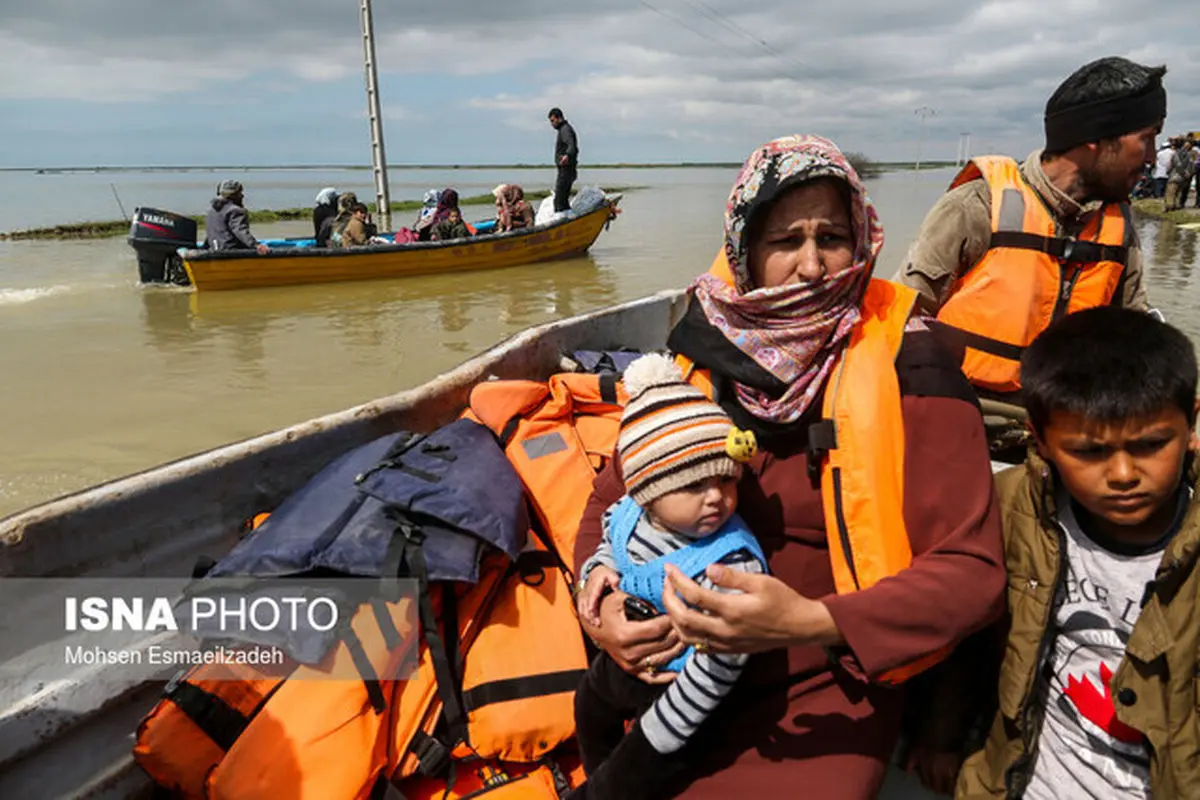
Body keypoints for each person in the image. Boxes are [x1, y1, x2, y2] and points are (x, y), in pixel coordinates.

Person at [573, 134, 1005, 798]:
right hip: (672, 662)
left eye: (831, 237)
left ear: (861, 239)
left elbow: (972, 572)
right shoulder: (700, 344)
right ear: (745, 253)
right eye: (786, 242)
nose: (811, 266)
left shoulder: (910, 359)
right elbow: (614, 494)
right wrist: (598, 606)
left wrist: (811, 621)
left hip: (825, 681)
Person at [908, 306, 1200, 799]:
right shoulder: (1009, 510)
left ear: (1192, 423)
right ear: (1040, 442)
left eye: (1151, 445)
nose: (1124, 474)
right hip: (1024, 781)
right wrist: (941, 739)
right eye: (1089, 452)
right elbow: (970, 641)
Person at [895, 56, 1164, 403]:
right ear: (1096, 136)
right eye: (1146, 139)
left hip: (1065, 422)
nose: (1154, 158)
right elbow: (900, 319)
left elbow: (1137, 336)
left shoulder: (1118, 225)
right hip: (969, 413)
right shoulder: (975, 206)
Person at [571, 353, 767, 800]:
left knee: (634, 774)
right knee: (588, 704)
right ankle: (597, 773)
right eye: (694, 486)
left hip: (690, 692)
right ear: (647, 493)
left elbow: (722, 665)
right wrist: (599, 569)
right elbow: (611, 540)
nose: (716, 498)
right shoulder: (629, 513)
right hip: (634, 658)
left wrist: (662, 729)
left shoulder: (731, 563)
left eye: (726, 479)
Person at [204, 180, 269, 254]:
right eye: (240, 193)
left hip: (215, 249)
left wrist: (204, 249)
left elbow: (211, 233)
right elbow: (240, 230)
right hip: (231, 251)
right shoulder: (236, 211)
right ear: (232, 195)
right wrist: (256, 245)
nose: (242, 196)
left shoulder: (210, 211)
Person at [548, 107, 579, 213]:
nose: (552, 124)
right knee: (563, 200)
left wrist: (567, 155)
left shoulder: (565, 129)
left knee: (559, 202)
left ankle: (562, 223)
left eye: (553, 121)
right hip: (566, 170)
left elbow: (571, 145)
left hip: (566, 170)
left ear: (559, 118)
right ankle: (568, 218)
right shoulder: (564, 129)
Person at [1165, 138, 1196, 211]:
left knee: (1170, 193)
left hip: (1175, 176)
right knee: (1179, 192)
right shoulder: (1191, 154)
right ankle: (1177, 205)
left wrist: (1182, 172)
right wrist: (1189, 173)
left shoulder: (1176, 153)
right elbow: (1192, 165)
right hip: (1185, 178)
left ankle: (1170, 207)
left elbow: (1177, 164)